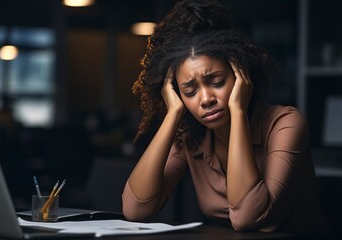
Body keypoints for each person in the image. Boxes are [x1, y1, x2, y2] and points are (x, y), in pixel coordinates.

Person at [122, 0, 330, 236]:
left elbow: (247, 217)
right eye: (189, 91)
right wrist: (173, 115)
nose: (206, 98)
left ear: (241, 77)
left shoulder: (285, 124)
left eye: (217, 82)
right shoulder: (190, 138)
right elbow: (135, 210)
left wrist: (238, 111)